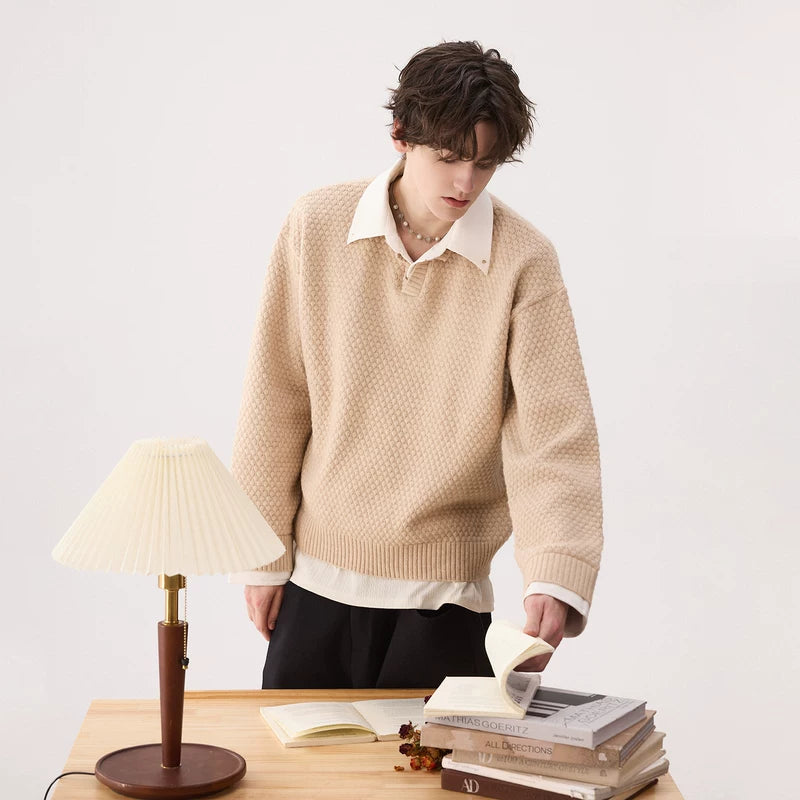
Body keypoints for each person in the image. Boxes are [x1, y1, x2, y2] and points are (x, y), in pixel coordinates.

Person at [229, 41, 603, 689]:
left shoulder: (524, 260)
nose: (466, 183)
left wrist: (556, 572)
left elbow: (552, 433)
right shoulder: (316, 225)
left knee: (430, 761)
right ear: (401, 135)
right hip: (314, 584)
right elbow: (277, 395)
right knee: (294, 756)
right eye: (449, 157)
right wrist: (261, 555)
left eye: (486, 163)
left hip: (447, 599)